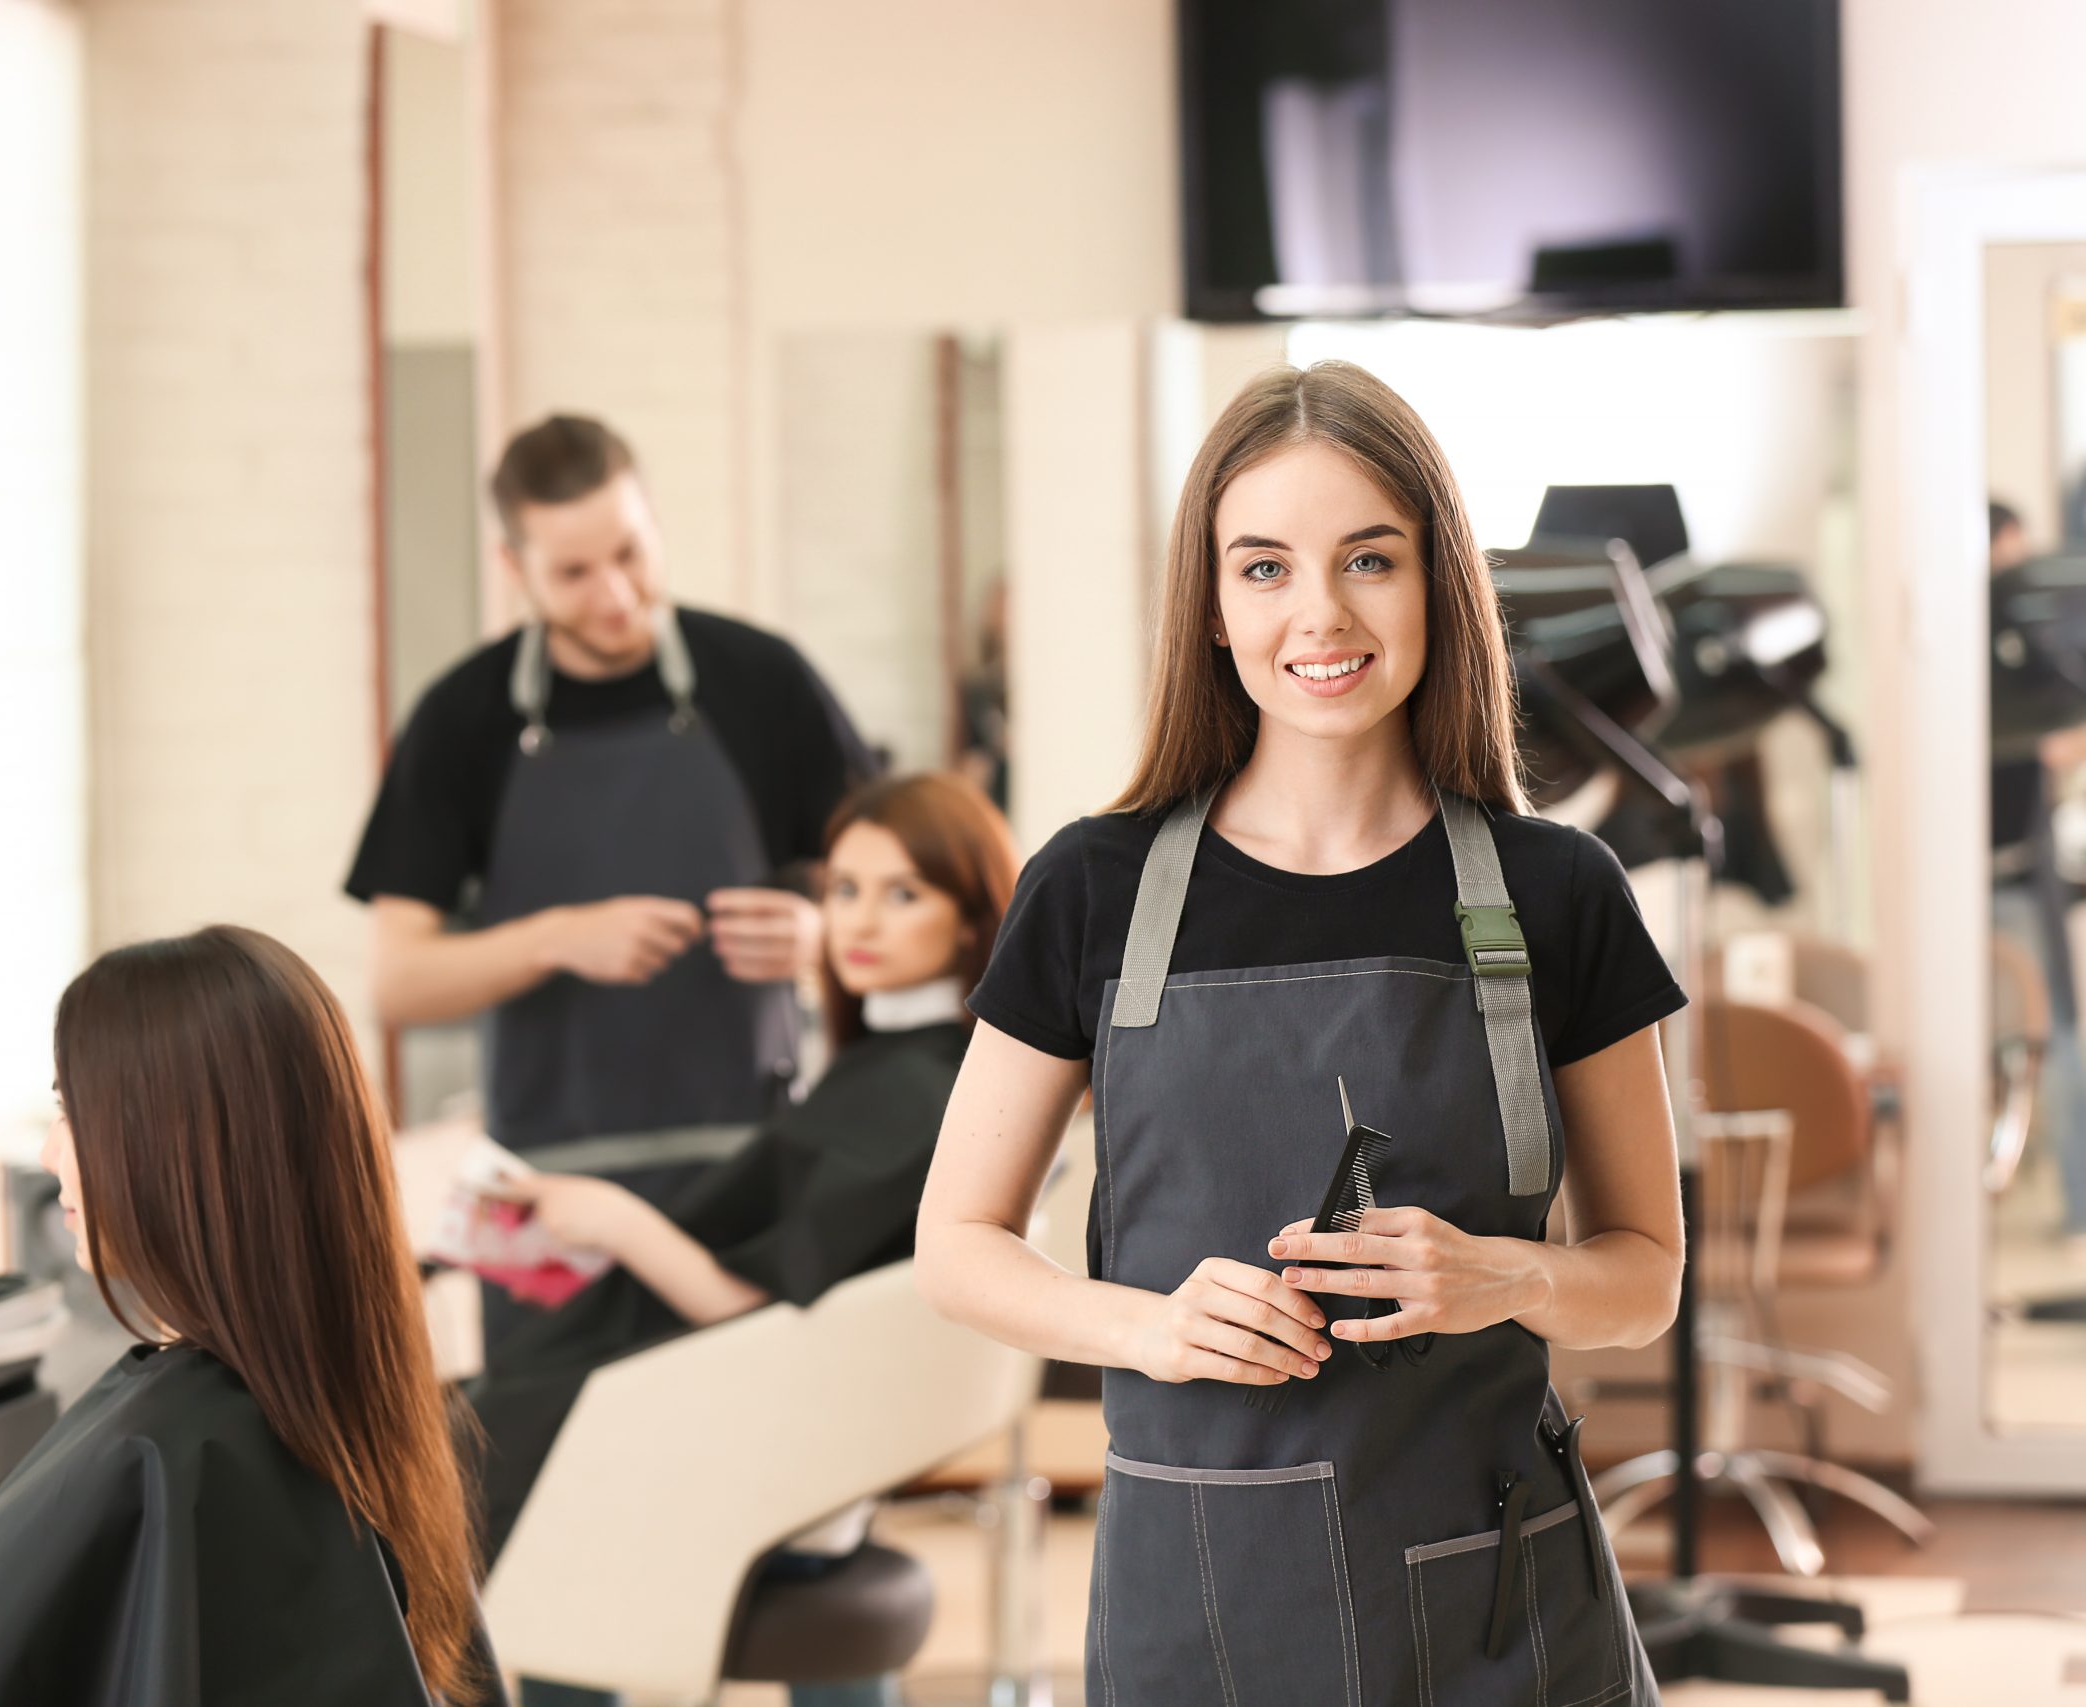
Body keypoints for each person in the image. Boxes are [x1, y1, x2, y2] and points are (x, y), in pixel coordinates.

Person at [915, 362, 1685, 1705]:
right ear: (1210, 606)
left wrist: (1501, 1275)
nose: (1319, 613)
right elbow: (957, 1244)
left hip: (1494, 1608)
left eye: (1368, 559)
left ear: (1437, 582)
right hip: (1196, 1602)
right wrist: (1150, 1327)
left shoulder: (1557, 891)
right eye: (1264, 567)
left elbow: (1647, 1273)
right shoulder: (1093, 889)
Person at [0, 927, 498, 1707]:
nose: (50, 1154)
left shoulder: (171, 1445)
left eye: (74, 1113)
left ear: (182, 1146)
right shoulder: (363, 1408)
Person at [465, 773, 1017, 1707]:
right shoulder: (911, 1071)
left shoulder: (919, 1093)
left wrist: (617, 1220)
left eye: (902, 892)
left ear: (972, 921)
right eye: (842, 889)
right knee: (482, 1428)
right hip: (770, 1412)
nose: (859, 922)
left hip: (771, 1428)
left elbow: (763, 1305)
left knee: (461, 1448)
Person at [345, 415, 876, 1359]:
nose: (619, 596)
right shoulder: (461, 720)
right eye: (575, 574)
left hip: (748, 1180)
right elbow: (396, 982)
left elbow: (908, 902)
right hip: (547, 1206)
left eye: (630, 553)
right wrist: (553, 938)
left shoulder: (766, 682)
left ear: (654, 521)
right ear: (516, 567)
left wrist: (820, 938)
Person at [1989, 498, 2086, 1252]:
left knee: (2051, 1039)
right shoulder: (1987, 650)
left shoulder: (2025, 652)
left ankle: (2077, 1209)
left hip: (2024, 869)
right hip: (1996, 876)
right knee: (2046, 1037)